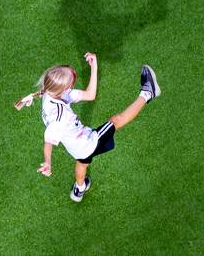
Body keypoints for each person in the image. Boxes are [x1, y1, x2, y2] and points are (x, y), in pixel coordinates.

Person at [14, 52, 160, 202]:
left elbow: (90, 95)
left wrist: (94, 67)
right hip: (89, 142)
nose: (73, 81)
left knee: (82, 163)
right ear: (64, 89)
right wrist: (48, 162)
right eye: (71, 81)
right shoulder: (58, 117)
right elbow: (48, 142)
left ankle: (79, 189)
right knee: (116, 120)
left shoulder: (50, 92)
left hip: (75, 149)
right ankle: (148, 93)